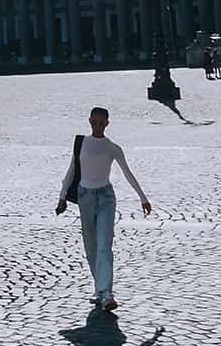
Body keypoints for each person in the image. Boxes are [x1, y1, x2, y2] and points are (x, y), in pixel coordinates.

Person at [55, 106, 152, 314]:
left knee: (104, 245)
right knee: (91, 247)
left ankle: (107, 293)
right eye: (95, 122)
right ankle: (99, 289)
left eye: (102, 123)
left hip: (106, 197)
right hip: (85, 198)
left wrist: (143, 198)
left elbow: (128, 173)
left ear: (107, 123)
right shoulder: (81, 143)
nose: (98, 126)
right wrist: (62, 197)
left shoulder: (113, 148)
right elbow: (71, 170)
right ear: (90, 121)